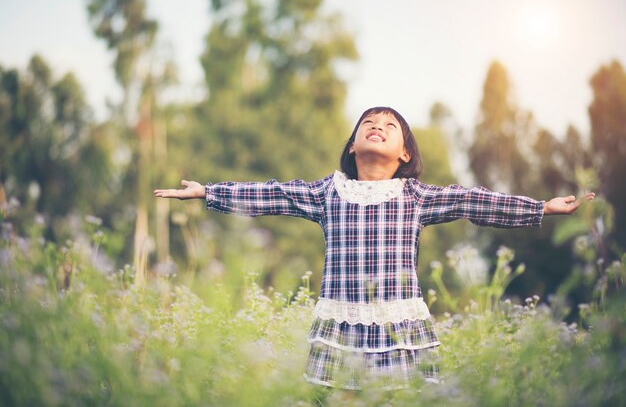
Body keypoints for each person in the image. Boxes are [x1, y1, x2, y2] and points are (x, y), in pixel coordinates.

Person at [154, 106, 595, 390]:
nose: (377, 127)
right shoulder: (329, 192)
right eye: (369, 123)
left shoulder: (414, 196)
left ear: (405, 153)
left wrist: (542, 208)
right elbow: (272, 194)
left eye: (390, 126)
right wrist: (206, 192)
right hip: (341, 325)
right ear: (352, 146)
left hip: (398, 330)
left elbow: (472, 200)